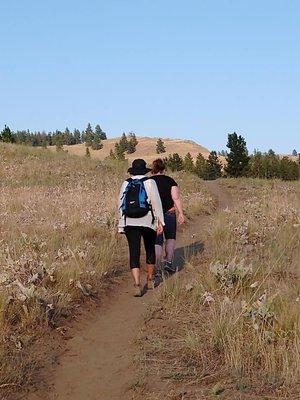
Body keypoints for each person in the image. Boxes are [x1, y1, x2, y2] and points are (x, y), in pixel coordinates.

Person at [118, 159, 164, 297]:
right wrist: (160, 222)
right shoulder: (150, 182)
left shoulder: (126, 183)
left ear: (132, 171)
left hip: (130, 222)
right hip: (147, 221)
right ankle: (150, 279)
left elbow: (120, 204)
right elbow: (156, 202)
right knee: (150, 248)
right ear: (145, 170)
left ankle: (137, 284)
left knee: (134, 252)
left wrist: (121, 224)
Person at [151, 158, 185, 274]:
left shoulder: (149, 181)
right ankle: (169, 263)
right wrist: (181, 213)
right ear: (164, 169)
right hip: (169, 212)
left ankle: (157, 266)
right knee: (170, 238)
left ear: (153, 170)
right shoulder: (170, 181)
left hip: (155, 214)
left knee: (157, 241)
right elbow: (176, 198)